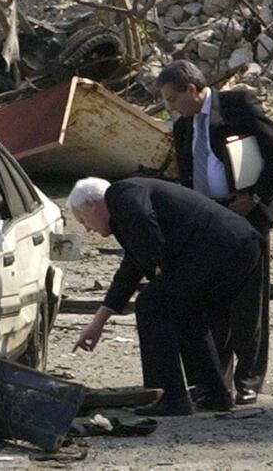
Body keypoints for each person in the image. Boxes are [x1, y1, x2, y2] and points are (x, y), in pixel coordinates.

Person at [156, 60, 273, 405]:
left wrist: (256, 195)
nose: (170, 107)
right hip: (208, 220)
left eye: (173, 99)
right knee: (213, 301)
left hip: (246, 214)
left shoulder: (237, 106)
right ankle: (214, 380)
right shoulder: (184, 127)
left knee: (249, 303)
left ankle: (249, 379)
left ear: (191, 89)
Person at [68, 176, 261, 416]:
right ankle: (214, 393)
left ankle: (169, 396)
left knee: (151, 304)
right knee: (184, 310)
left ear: (91, 204)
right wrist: (98, 323)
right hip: (240, 246)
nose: (87, 229)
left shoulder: (121, 193)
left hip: (222, 247)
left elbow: (142, 218)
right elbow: (130, 271)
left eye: (83, 220)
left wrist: (158, 266)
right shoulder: (123, 217)